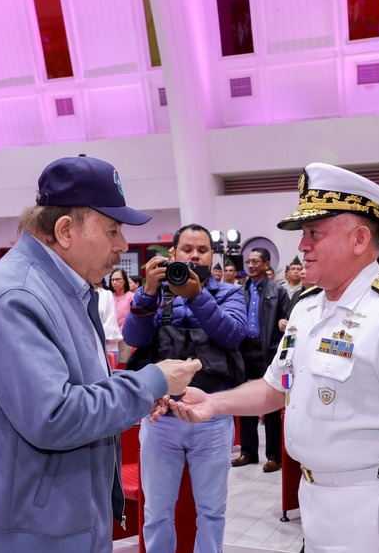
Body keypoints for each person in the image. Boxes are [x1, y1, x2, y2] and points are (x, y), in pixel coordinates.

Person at [167, 162, 379, 553]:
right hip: (315, 505)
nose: (302, 246)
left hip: (372, 511)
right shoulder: (307, 309)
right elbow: (276, 388)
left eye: (314, 233)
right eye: (303, 234)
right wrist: (213, 403)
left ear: (359, 239)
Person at [0, 154, 202, 553]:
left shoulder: (63, 288)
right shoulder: (17, 295)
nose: (122, 245)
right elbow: (54, 415)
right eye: (112, 230)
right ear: (66, 230)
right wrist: (150, 381)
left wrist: (143, 392)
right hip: (35, 529)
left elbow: (81, 383)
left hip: (63, 513)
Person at [123, 223, 247, 553]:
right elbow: (134, 338)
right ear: (173, 253)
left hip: (212, 418)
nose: (194, 256)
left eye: (202, 250)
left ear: (212, 255)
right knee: (157, 512)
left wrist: (197, 296)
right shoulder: (158, 293)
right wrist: (148, 291)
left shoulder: (229, 293)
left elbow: (233, 335)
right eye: (187, 250)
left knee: (212, 512)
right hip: (160, 420)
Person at [231, 247, 289, 473]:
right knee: (246, 402)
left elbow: (287, 321)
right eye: (248, 261)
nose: (251, 265)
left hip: (267, 353)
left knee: (270, 403)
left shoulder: (278, 291)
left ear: (267, 265)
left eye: (256, 261)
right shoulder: (240, 291)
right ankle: (248, 452)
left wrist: (276, 343)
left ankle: (274, 455)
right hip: (245, 352)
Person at [108, 267, 135, 364]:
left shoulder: (131, 297)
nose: (114, 282)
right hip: (109, 338)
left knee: (123, 364)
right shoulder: (108, 296)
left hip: (125, 338)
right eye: (112, 280)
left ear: (124, 280)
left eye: (117, 279)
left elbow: (134, 318)